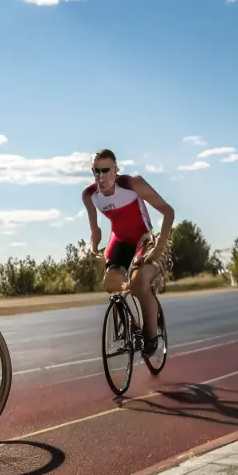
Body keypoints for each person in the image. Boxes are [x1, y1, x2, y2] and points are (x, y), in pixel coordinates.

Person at [83, 149, 174, 355]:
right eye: (96, 171)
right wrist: (92, 248)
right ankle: (131, 326)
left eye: (106, 170)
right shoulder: (90, 195)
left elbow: (168, 212)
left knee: (138, 283)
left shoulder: (133, 184)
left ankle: (151, 336)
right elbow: (95, 231)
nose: (101, 176)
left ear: (116, 171)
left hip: (144, 238)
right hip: (121, 241)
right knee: (111, 283)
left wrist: (158, 248)